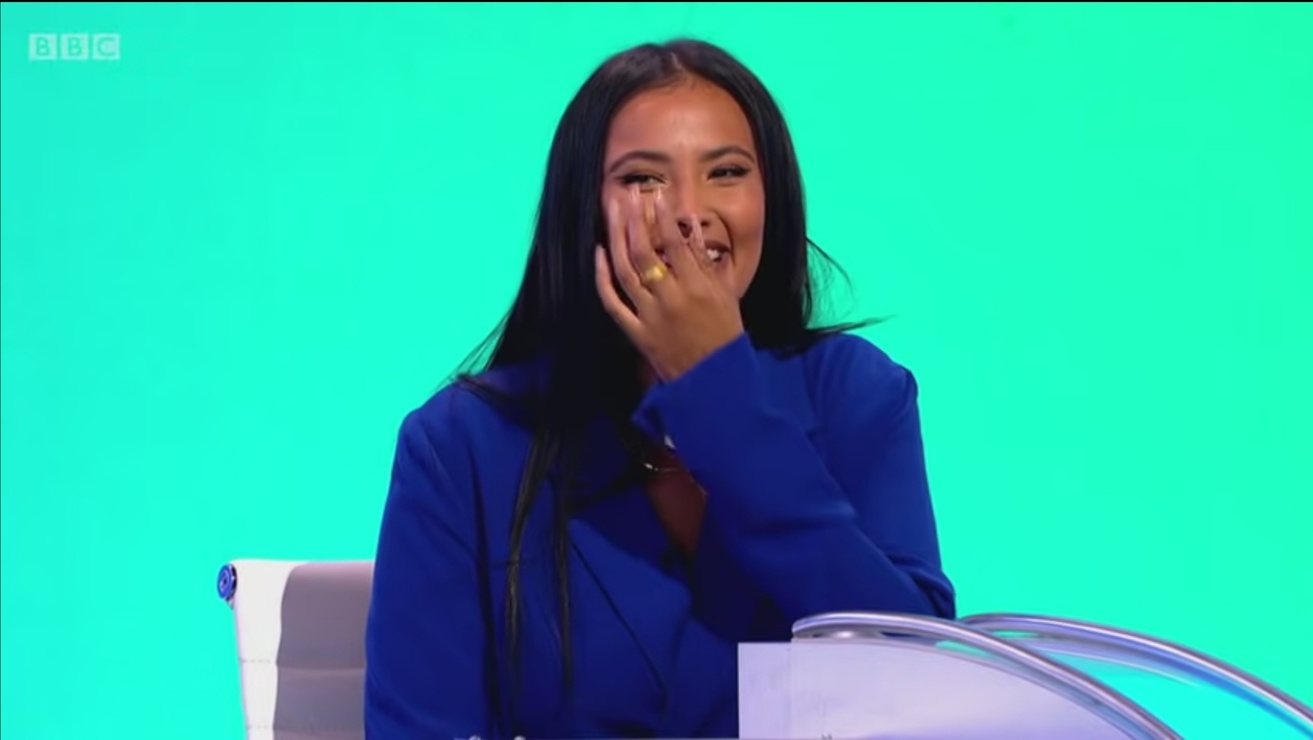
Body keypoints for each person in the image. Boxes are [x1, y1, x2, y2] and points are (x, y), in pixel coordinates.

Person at [363, 37, 955, 740]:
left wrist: (719, 398)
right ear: (583, 209)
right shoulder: (460, 445)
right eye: (643, 179)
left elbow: (914, 684)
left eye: (726, 172)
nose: (688, 213)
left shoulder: (858, 396)